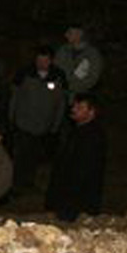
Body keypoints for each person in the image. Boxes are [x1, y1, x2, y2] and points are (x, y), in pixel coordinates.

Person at [8, 46, 68, 192]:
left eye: (45, 60)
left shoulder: (58, 76)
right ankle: (16, 184)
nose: (42, 63)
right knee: (21, 155)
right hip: (23, 123)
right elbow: (14, 97)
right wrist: (12, 118)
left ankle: (29, 182)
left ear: (51, 61)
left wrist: (55, 125)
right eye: (39, 60)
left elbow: (61, 103)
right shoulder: (25, 73)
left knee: (35, 156)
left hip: (44, 126)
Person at [45, 94, 108, 222]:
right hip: (69, 198)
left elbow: (83, 172)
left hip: (75, 202)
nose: (74, 109)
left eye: (80, 107)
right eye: (74, 106)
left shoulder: (92, 136)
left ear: (91, 112)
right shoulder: (77, 131)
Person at [55, 25, 104, 96]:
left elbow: (93, 77)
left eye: (70, 33)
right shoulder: (63, 51)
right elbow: (55, 69)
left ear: (79, 34)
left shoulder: (92, 54)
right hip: (61, 94)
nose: (66, 35)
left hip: (82, 95)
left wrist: (73, 86)